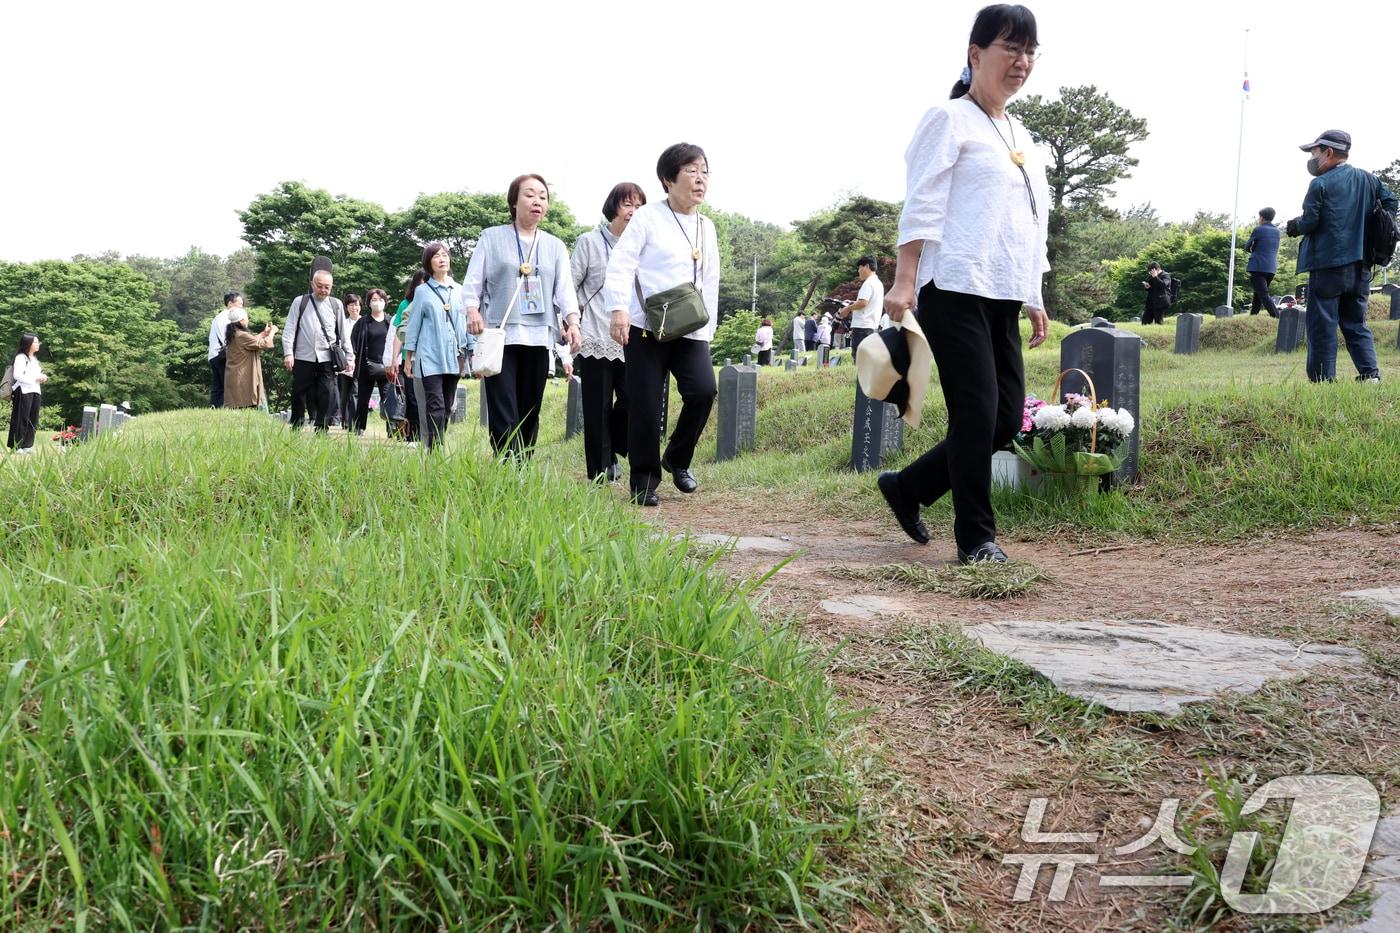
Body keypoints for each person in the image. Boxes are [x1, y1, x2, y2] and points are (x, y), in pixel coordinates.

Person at [877, 3, 1050, 564]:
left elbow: (1030, 219)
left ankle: (909, 488)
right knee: (976, 413)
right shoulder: (948, 119)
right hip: (952, 287)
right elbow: (922, 203)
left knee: (1005, 417)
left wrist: (1034, 295)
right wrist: (904, 282)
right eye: (1011, 49)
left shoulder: (1018, 132)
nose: (1021, 61)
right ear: (975, 55)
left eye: (1030, 51)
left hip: (1002, 291)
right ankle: (977, 537)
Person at [604, 142, 721, 507]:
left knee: (703, 392)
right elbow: (621, 264)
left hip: (690, 328)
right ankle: (644, 481)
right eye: (691, 171)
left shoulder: (707, 226)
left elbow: (712, 280)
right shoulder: (647, 218)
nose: (700, 178)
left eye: (704, 171)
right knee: (645, 405)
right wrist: (618, 311)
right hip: (645, 328)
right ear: (668, 179)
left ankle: (677, 459)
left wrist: (708, 331)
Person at [464, 174, 581, 459]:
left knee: (530, 408)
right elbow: (472, 283)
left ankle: (522, 466)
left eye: (543, 196)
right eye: (529, 194)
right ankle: (507, 466)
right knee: (503, 408)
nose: (537, 201)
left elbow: (565, 290)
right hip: (499, 335)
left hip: (539, 335)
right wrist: (472, 310)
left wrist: (573, 322)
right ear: (514, 201)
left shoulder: (555, 246)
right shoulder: (491, 238)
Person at [1285, 129, 1397, 383]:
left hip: (1328, 265)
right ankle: (1370, 376)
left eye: (1314, 152)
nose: (1312, 158)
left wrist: (1294, 226)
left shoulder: (1320, 183)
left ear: (1329, 152)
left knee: (1322, 325)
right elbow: (1392, 203)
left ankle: (1324, 381)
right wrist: (1372, 226)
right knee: (1356, 323)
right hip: (1361, 265)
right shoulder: (1370, 180)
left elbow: (1310, 221)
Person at [571, 182, 645, 482]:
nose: (633, 212)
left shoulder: (643, 245)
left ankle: (614, 446)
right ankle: (600, 469)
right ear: (614, 206)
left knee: (632, 399)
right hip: (595, 334)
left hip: (632, 336)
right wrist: (572, 323)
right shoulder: (589, 242)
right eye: (628, 204)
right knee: (597, 404)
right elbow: (571, 284)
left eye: (640, 206)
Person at [405, 243, 472, 451]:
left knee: (447, 406)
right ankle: (434, 450)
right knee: (436, 404)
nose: (442, 259)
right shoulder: (422, 292)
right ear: (429, 263)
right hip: (429, 356)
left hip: (454, 357)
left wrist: (472, 350)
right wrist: (408, 358)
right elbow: (413, 325)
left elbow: (466, 323)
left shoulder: (461, 291)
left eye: (444, 255)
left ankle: (436, 443)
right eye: (436, 256)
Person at [283, 260, 354, 431]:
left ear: (331, 287)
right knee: (299, 390)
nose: (323, 290)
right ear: (312, 285)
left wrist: (350, 357)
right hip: (303, 354)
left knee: (327, 391)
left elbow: (344, 333)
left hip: (327, 356)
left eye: (327, 287)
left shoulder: (336, 304)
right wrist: (288, 353)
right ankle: (297, 423)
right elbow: (289, 329)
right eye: (319, 286)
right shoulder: (300, 302)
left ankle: (322, 425)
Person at [351, 288, 396, 434]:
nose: (377, 303)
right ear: (369, 303)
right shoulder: (363, 322)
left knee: (388, 399)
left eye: (380, 300)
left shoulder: (390, 321)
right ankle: (359, 428)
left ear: (385, 302)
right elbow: (354, 341)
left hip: (387, 366)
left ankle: (392, 429)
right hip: (366, 365)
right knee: (363, 398)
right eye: (374, 300)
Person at [391, 270, 427, 443]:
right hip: (410, 358)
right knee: (412, 398)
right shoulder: (405, 304)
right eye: (421, 283)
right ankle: (413, 436)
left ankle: (431, 437)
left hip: (431, 357)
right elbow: (399, 333)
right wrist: (394, 359)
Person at [222, 309, 278, 409]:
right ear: (241, 321)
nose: (247, 321)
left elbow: (251, 342)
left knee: (237, 405)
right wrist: (272, 332)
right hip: (242, 376)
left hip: (235, 375)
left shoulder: (235, 333)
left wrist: (264, 334)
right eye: (246, 319)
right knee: (243, 406)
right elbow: (264, 344)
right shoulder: (241, 335)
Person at [8, 334, 46, 453]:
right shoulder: (21, 357)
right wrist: (36, 378)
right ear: (28, 344)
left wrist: (43, 377)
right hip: (23, 390)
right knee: (21, 418)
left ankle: (27, 445)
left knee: (33, 418)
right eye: (35, 342)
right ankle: (17, 445)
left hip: (35, 390)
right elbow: (17, 375)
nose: (37, 344)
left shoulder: (34, 359)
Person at [1244, 208, 1281, 317]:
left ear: (1262, 218)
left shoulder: (1259, 229)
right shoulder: (1277, 231)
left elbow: (1247, 247)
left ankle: (1276, 316)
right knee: (1258, 292)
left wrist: (1254, 248)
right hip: (1271, 267)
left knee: (1263, 293)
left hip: (1258, 266)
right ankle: (1253, 315)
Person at [843, 257, 885, 351]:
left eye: (860, 268)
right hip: (872, 326)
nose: (858, 271)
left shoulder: (868, 283)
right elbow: (868, 302)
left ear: (867, 266)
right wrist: (854, 303)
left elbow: (863, 303)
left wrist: (847, 309)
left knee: (858, 357)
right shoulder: (878, 283)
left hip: (862, 327)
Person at [208, 291, 241, 407]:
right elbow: (226, 339)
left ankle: (214, 408)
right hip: (221, 355)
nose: (241, 307)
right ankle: (225, 409)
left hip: (213, 355)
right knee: (227, 385)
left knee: (217, 387)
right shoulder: (227, 316)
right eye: (239, 304)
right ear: (230, 303)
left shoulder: (218, 316)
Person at [335, 293, 362, 427]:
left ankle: (354, 421)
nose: (354, 308)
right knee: (344, 391)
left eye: (356, 304)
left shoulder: (364, 322)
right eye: (351, 305)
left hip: (360, 362)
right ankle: (345, 420)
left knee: (356, 391)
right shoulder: (343, 323)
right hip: (345, 362)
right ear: (346, 307)